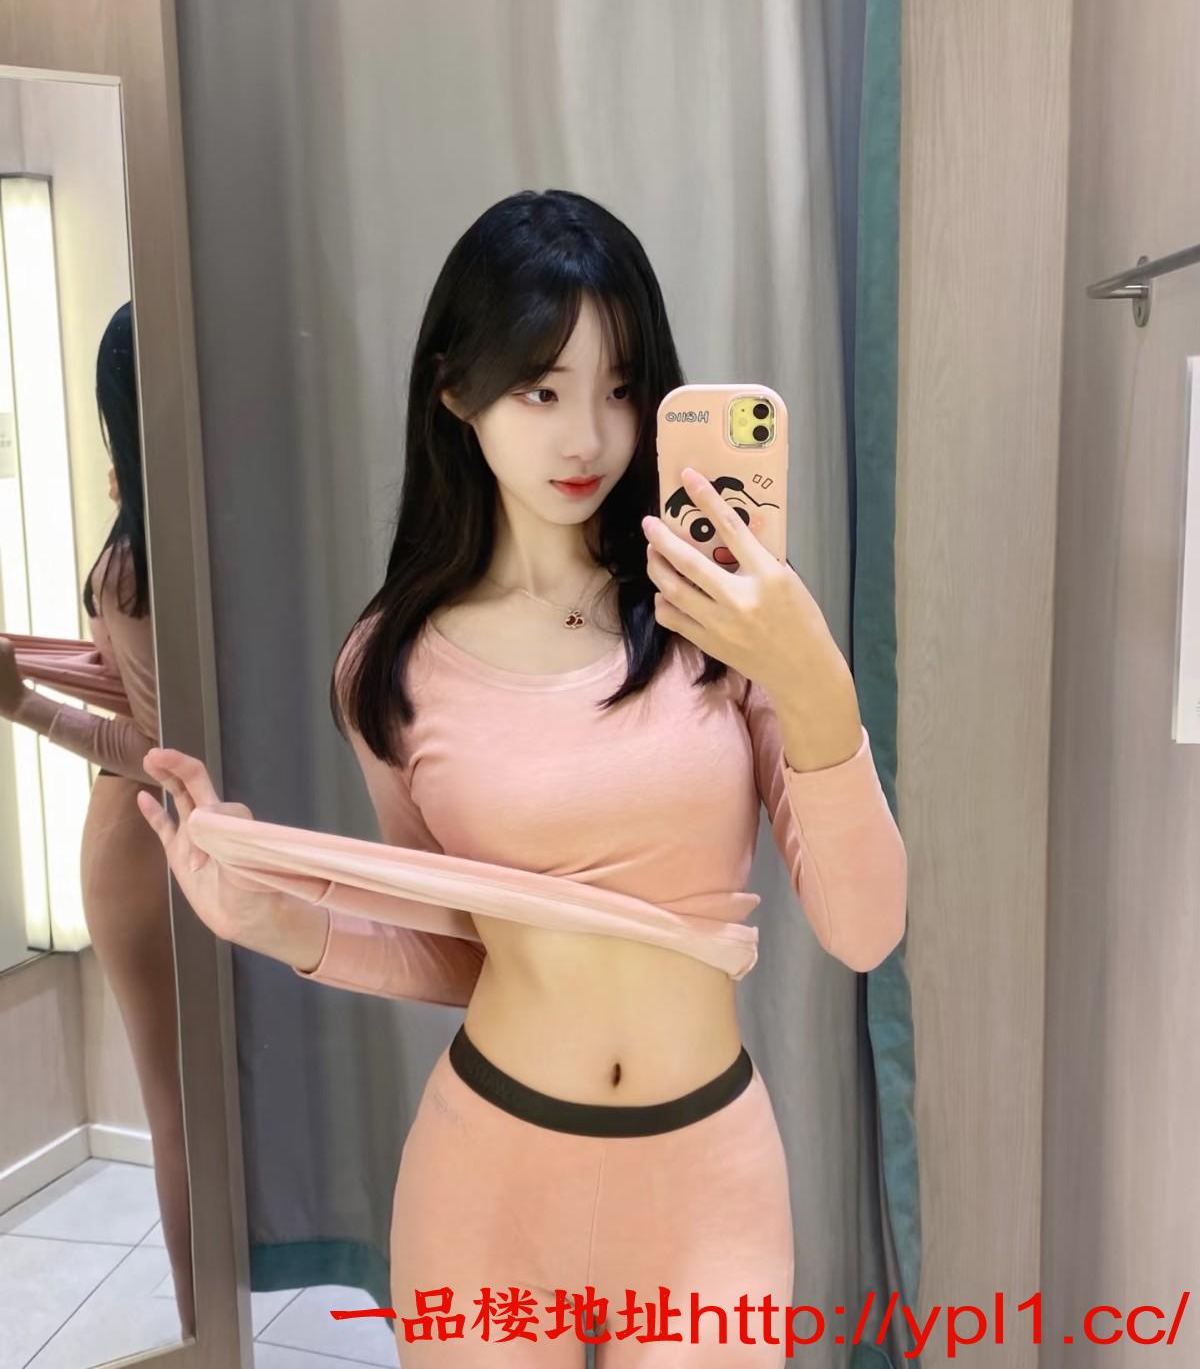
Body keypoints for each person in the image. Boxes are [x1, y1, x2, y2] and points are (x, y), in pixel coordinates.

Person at [136, 190, 907, 1365]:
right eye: (542, 390)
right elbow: (462, 947)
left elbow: (865, 928)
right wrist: (281, 922)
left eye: (620, 388)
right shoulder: (390, 665)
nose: (587, 438)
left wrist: (812, 678)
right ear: (457, 391)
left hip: (708, 1185)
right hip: (488, 1176)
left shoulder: (729, 623)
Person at [0, 302, 194, 1336]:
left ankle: (210, 1332)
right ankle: (211, 1329)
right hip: (179, 837)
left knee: (177, 1106)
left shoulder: (136, 559)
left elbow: (152, 744)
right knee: (194, 1106)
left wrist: (22, 702)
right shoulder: (190, 538)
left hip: (144, 839)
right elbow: (159, 732)